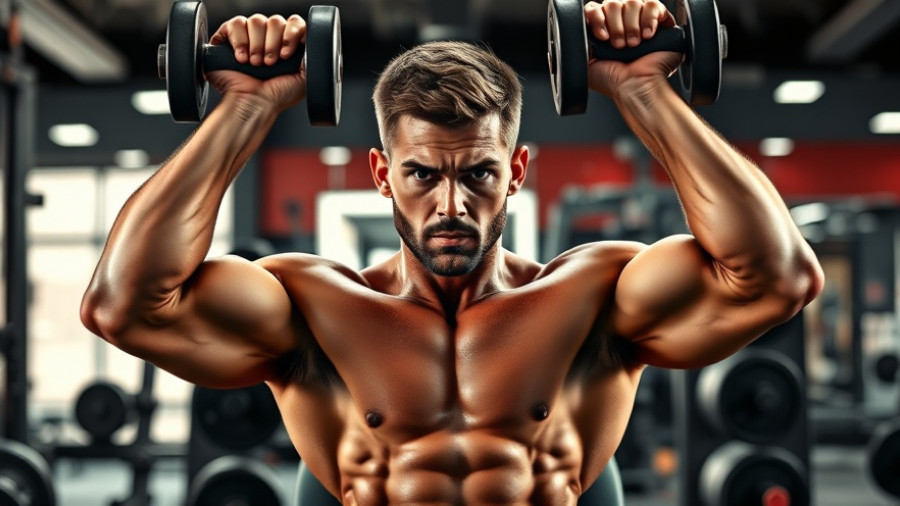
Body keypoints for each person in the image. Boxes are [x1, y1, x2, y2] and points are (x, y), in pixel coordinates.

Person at [81, 1, 823, 503]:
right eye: (421, 175)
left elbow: (776, 279)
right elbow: (125, 306)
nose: (450, 206)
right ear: (382, 175)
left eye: (478, 174)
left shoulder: (593, 297)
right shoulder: (315, 308)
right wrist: (244, 108)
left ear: (516, 173)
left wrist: (644, 91)